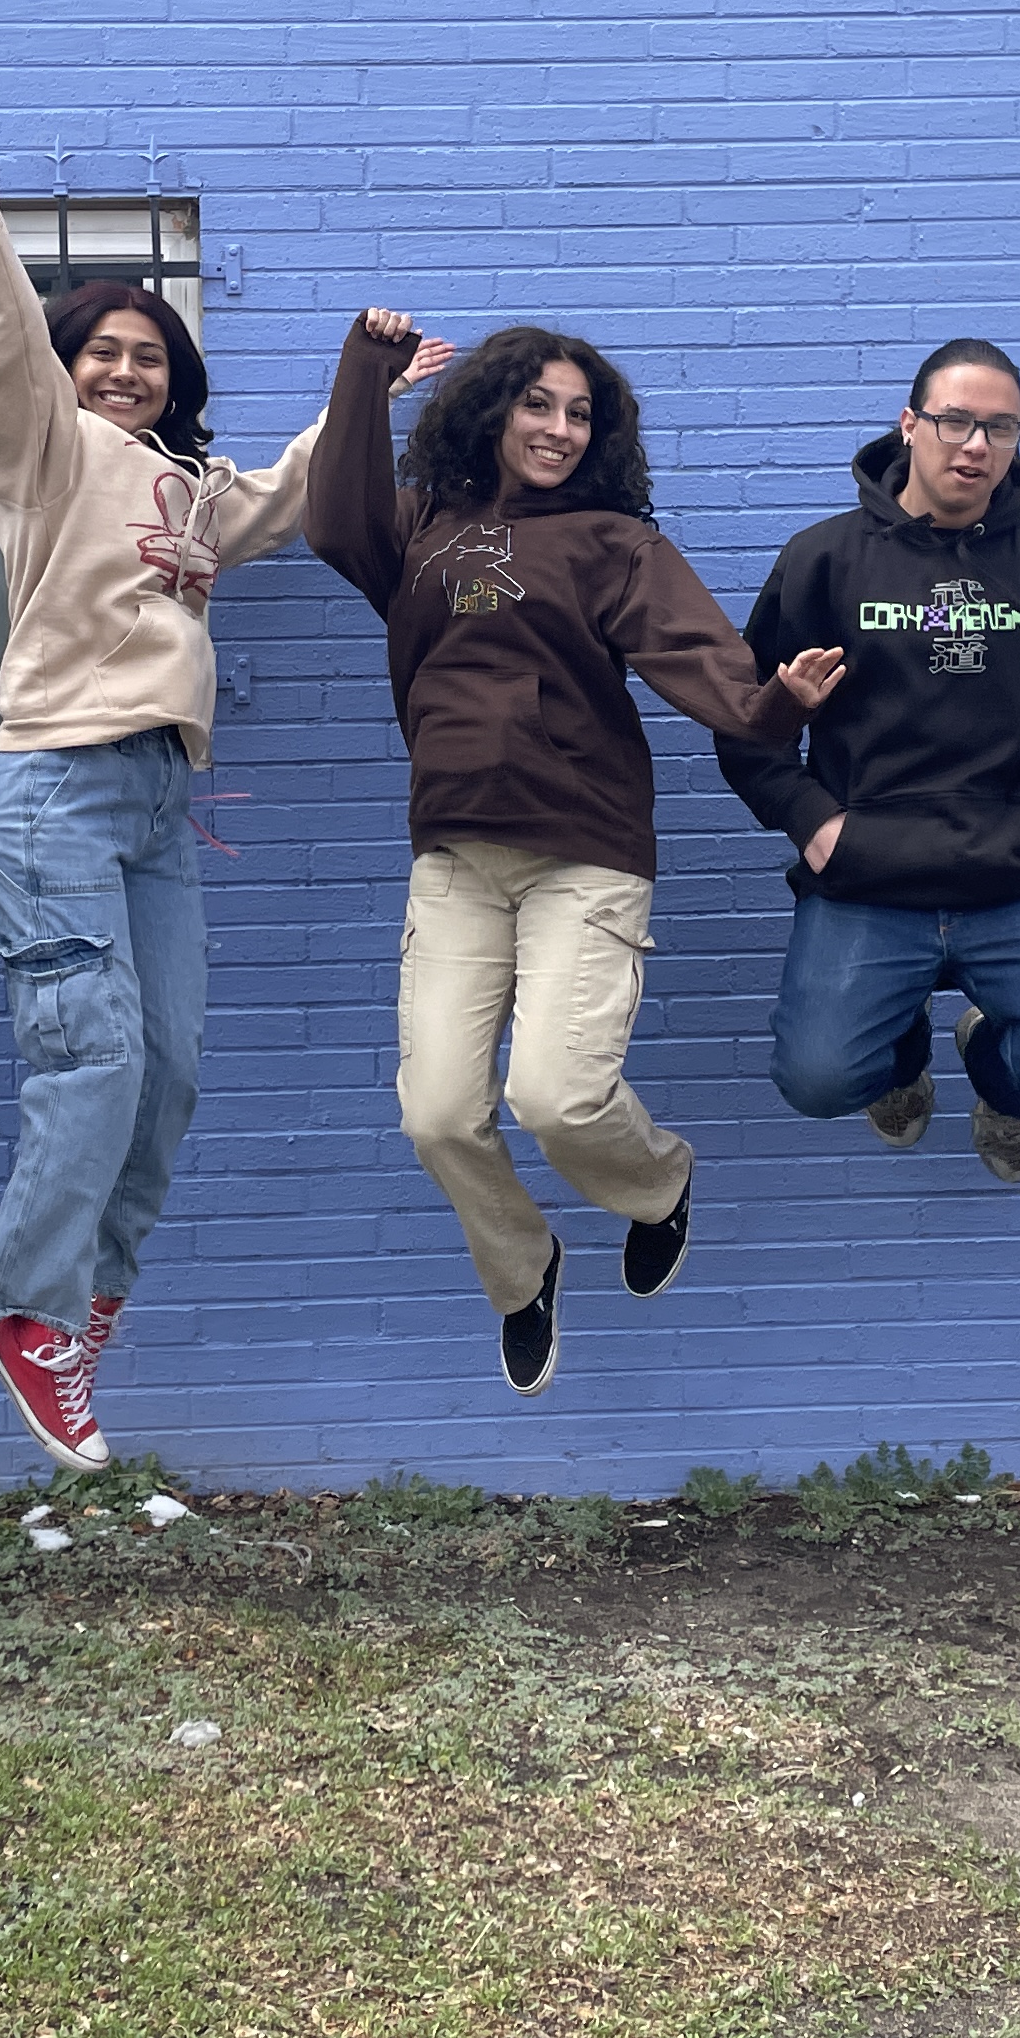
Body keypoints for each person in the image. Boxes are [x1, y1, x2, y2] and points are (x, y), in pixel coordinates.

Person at [0, 60, 412, 1473]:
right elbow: (0, 336)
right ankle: (26, 1316)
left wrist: (378, 388)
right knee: (86, 1055)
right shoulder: (46, 448)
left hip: (159, 796)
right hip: (54, 784)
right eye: (103, 348)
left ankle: (84, 1311)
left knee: (167, 1072)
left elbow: (291, 489)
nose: (123, 368)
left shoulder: (191, 490)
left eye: (148, 355)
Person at [308, 318, 847, 1392]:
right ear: (492, 410)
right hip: (456, 856)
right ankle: (524, 1270)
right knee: (439, 1114)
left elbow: (704, 663)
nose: (557, 429)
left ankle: (657, 1187)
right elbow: (334, 517)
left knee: (555, 1097)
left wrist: (769, 704)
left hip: (584, 855)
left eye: (579, 414)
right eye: (537, 404)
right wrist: (365, 369)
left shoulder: (615, 543)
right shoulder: (417, 528)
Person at [720, 340, 1020, 1179]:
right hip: (864, 874)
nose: (976, 445)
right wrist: (814, 823)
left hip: (1010, 873)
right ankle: (900, 1061)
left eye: (1000, 427)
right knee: (818, 1078)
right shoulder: (823, 560)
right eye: (955, 421)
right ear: (910, 425)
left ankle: (999, 1076)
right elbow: (748, 724)